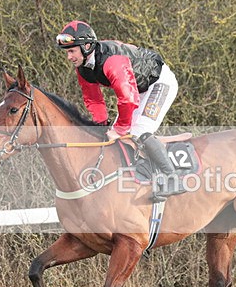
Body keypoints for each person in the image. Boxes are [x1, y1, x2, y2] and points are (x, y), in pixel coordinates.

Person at [56, 20, 184, 201]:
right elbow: (94, 99)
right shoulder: (83, 68)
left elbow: (128, 99)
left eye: (71, 51)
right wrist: (101, 127)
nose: (69, 57)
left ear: (86, 46)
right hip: (137, 89)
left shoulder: (112, 61)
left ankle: (173, 178)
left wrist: (120, 129)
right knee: (114, 137)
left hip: (158, 83)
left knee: (138, 131)